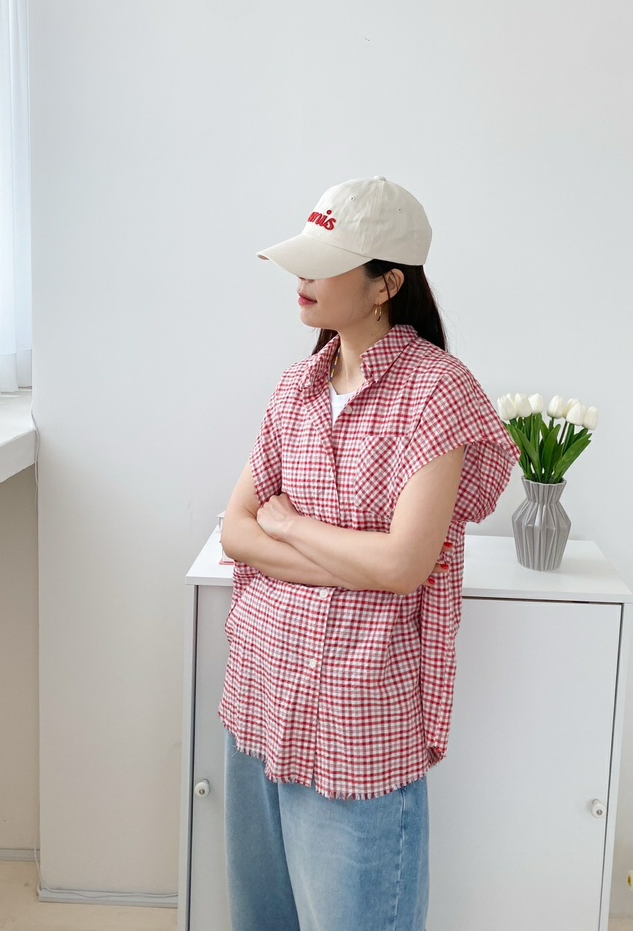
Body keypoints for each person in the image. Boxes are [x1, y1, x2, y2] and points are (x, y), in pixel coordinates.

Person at [219, 176, 518, 931]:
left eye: (325, 264)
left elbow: (402, 566)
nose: (302, 279)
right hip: (261, 689)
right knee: (263, 918)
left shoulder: (436, 391)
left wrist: (291, 528)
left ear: (387, 284)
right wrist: (344, 557)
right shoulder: (297, 386)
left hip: (359, 713)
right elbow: (236, 531)